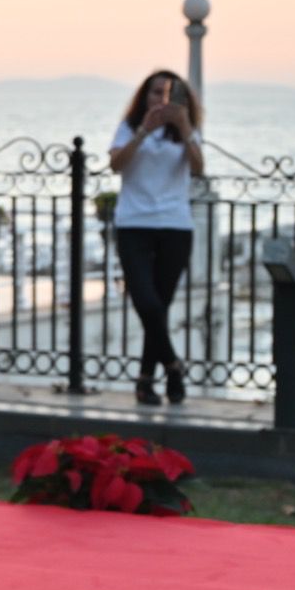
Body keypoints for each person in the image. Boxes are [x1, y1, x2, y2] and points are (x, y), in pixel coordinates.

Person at [108, 69, 205, 406]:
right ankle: (173, 365)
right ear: (144, 96)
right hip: (134, 222)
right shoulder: (129, 127)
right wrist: (143, 132)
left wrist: (185, 128)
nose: (161, 99)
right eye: (155, 92)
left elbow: (198, 168)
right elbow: (116, 164)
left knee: (160, 306)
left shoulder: (186, 132)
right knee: (146, 302)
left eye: (169, 93)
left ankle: (146, 379)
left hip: (175, 225)